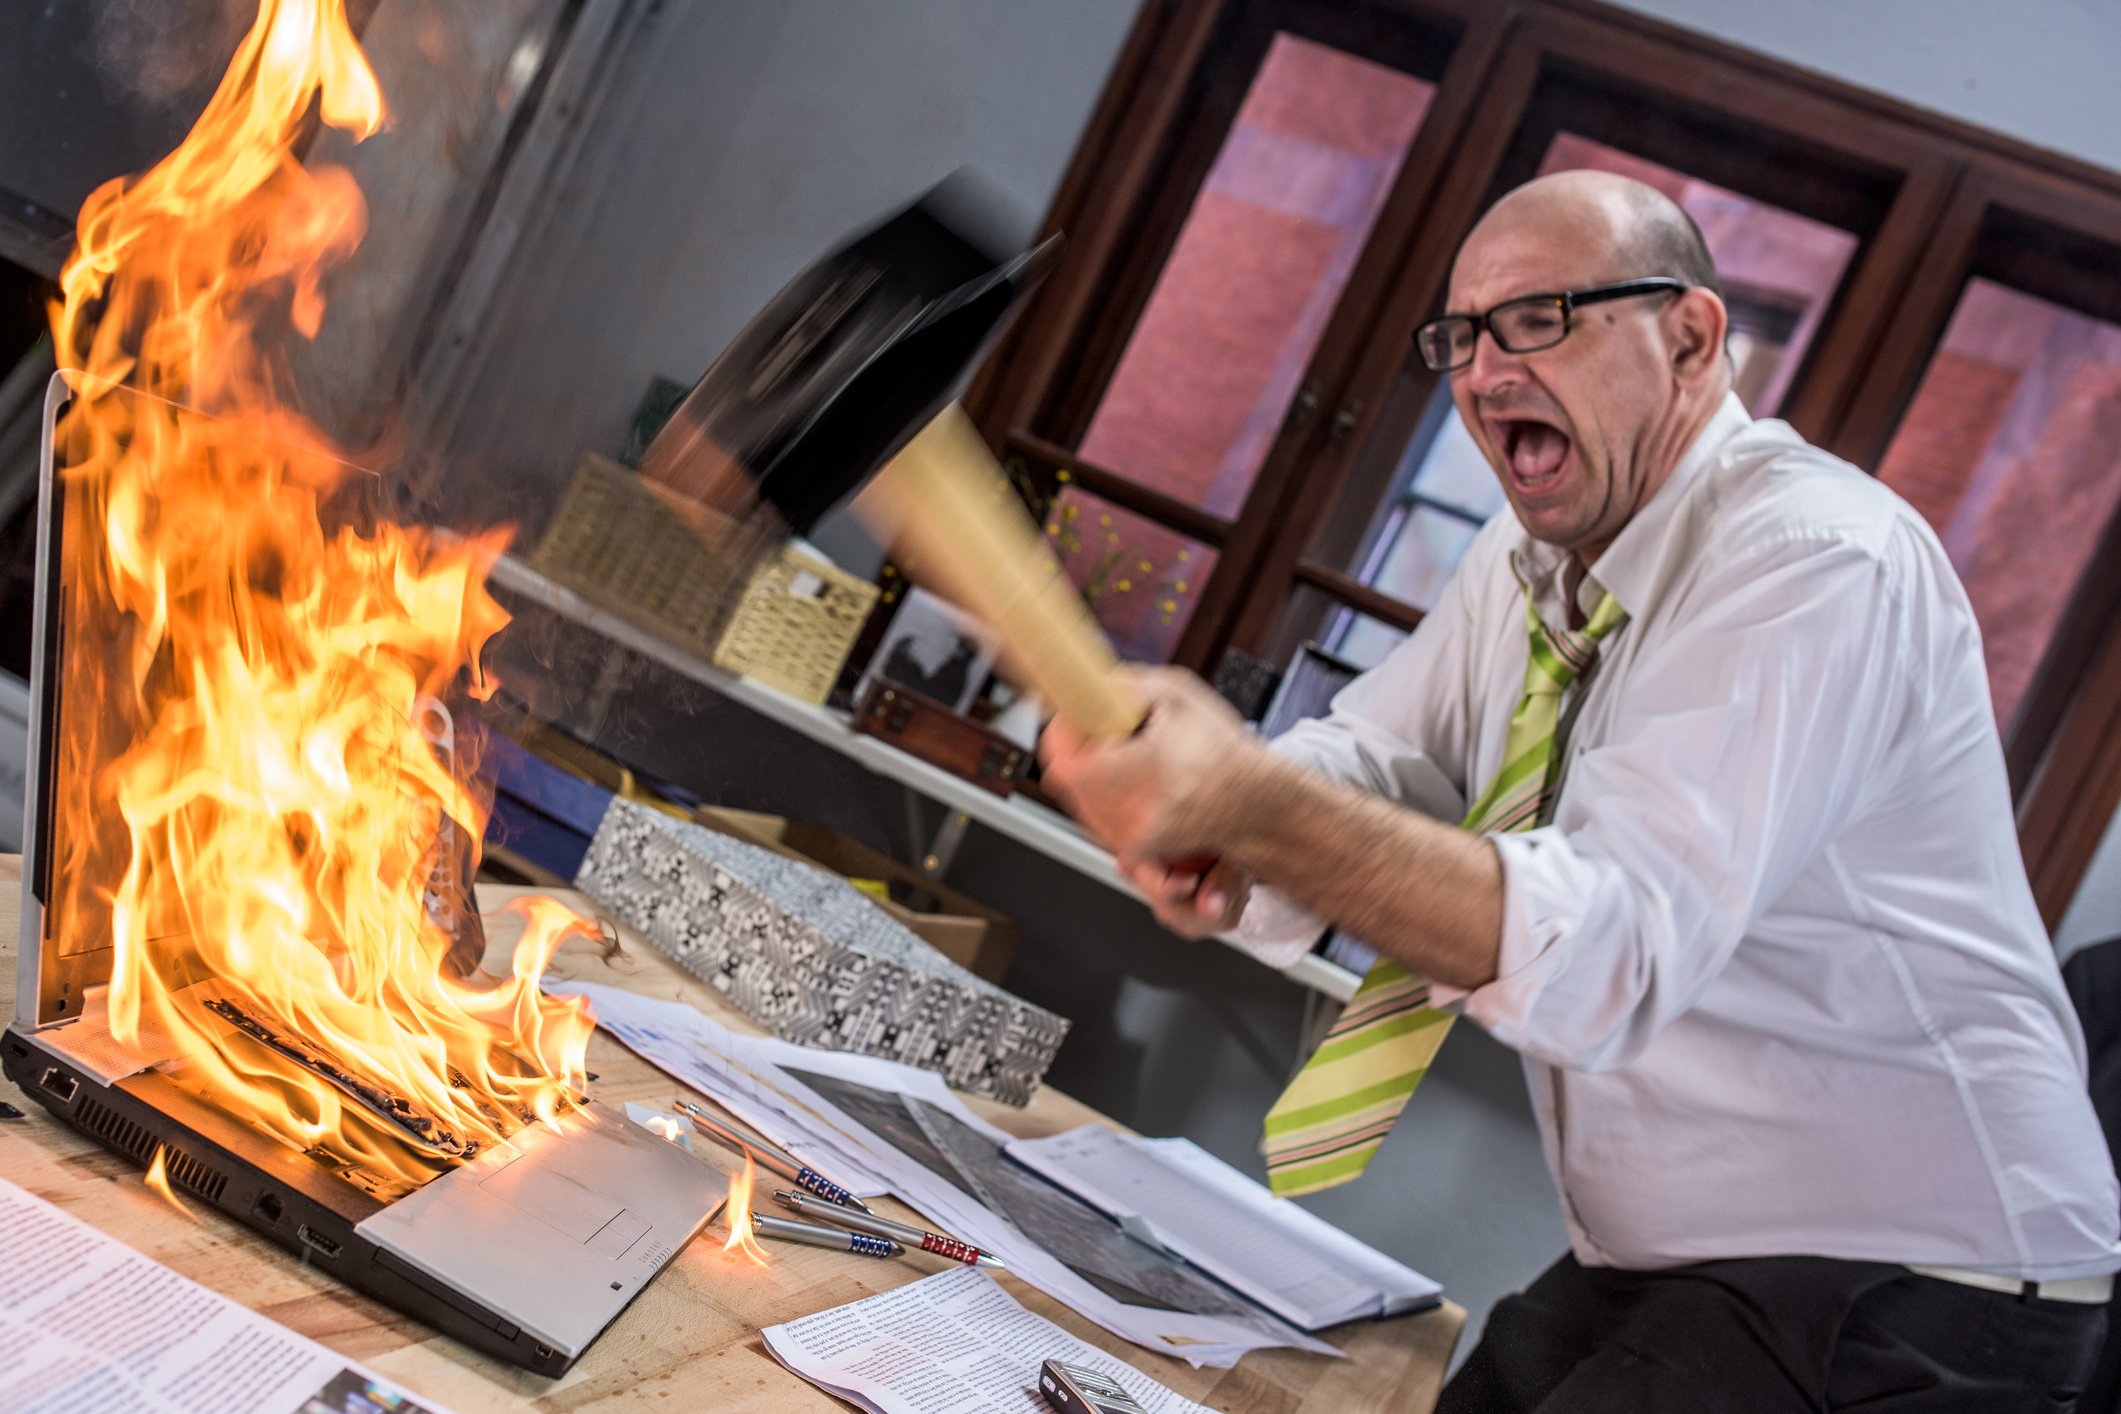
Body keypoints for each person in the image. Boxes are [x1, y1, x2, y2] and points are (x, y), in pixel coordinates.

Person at [1039, 170, 2121, 1412]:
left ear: (1692, 339)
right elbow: (1384, 756)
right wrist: (1233, 821)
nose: (1484, 372)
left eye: (1537, 318)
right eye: (1461, 336)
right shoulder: (1526, 552)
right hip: (1681, 1252)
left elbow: (1617, 942)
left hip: (1916, 1284)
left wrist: (1256, 808)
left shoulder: (1818, 559)